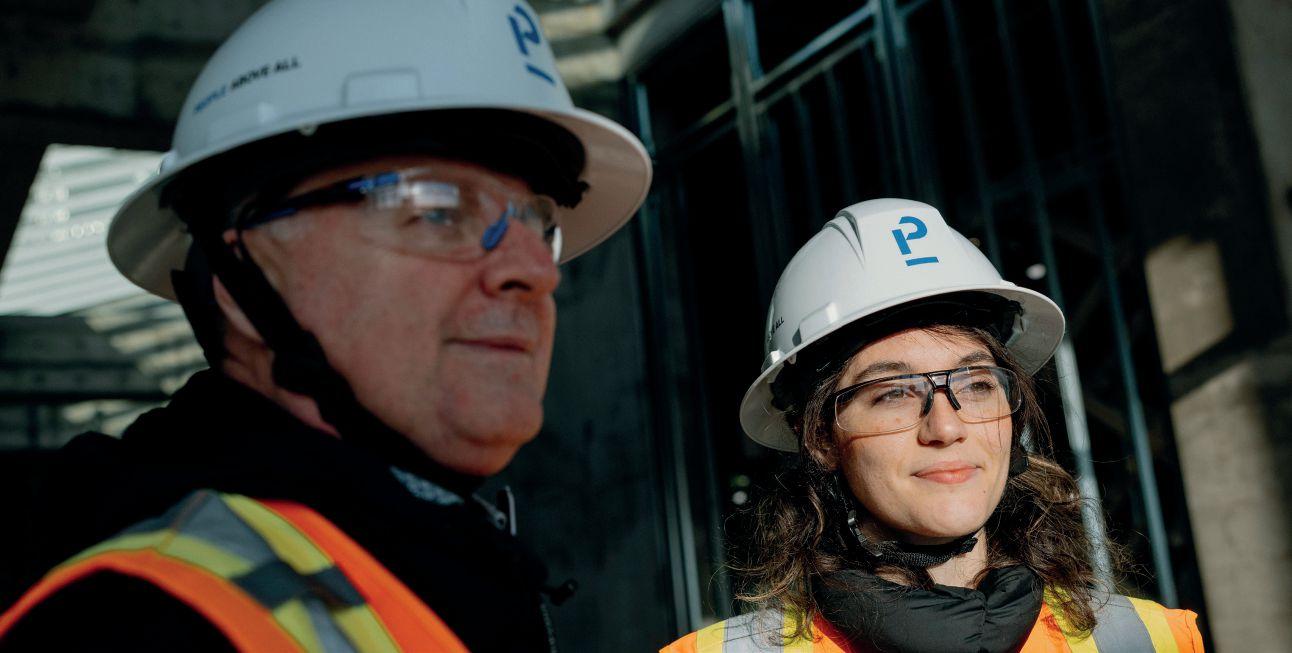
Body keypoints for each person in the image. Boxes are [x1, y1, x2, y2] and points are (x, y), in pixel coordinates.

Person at [0, 0, 650, 651]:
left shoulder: (432, 554)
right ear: (242, 283)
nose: (536, 270)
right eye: (436, 208)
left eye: (537, 221)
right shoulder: (141, 623)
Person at [663, 199, 1202, 652]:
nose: (946, 427)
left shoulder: (1149, 641)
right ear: (822, 437)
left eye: (977, 384)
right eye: (893, 393)